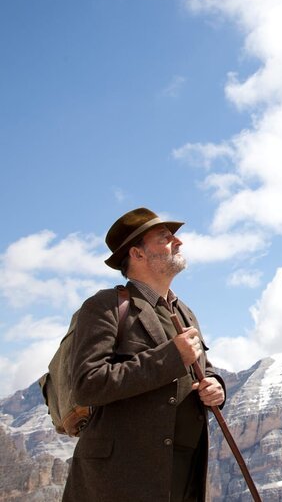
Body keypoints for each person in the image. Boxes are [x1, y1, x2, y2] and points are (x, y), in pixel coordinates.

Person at [62, 207, 225, 502]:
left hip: (183, 471)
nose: (178, 242)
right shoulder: (105, 306)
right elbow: (88, 383)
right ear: (137, 254)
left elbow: (203, 369)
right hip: (122, 478)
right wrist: (170, 357)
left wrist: (216, 388)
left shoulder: (185, 312)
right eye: (164, 237)